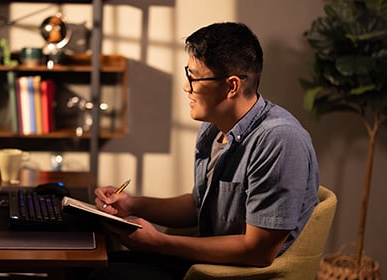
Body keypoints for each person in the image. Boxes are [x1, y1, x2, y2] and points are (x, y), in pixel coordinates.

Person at [91, 22, 320, 279]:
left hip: (236, 274)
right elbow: (200, 204)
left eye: (194, 77)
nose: (186, 87)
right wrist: (133, 204)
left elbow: (258, 251)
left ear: (231, 86)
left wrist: (161, 243)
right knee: (92, 262)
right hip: (204, 263)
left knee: (103, 275)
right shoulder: (213, 128)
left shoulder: (279, 140)